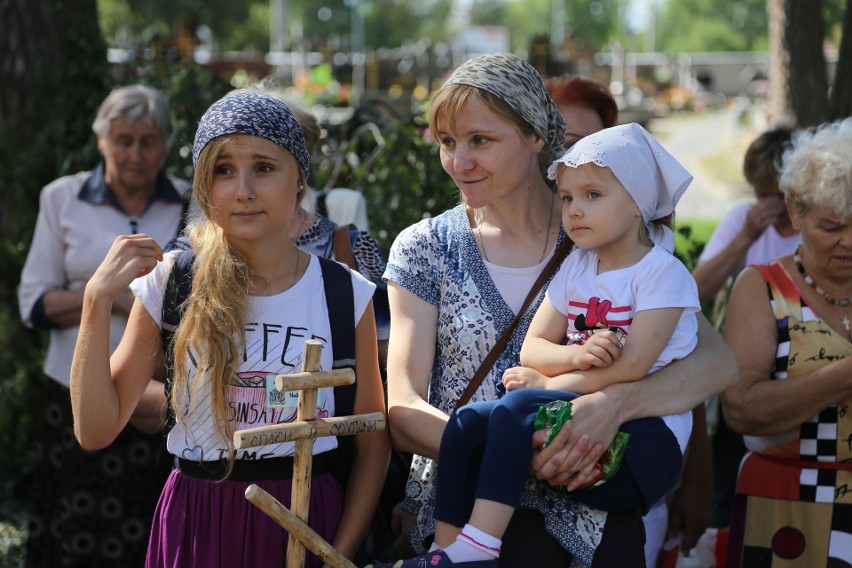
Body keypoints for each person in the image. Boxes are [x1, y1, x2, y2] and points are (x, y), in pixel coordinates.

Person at [381, 52, 737, 567]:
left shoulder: (603, 232)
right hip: (464, 528)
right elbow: (404, 408)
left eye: (481, 140)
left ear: (535, 136)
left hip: (594, 519)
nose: (460, 162)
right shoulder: (427, 247)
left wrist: (615, 407)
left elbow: (716, 363)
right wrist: (519, 451)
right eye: (447, 142)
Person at [69, 91, 390, 567]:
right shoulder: (175, 282)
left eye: (264, 167)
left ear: (299, 179)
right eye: (223, 170)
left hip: (307, 517)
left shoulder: (345, 294)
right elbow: (95, 430)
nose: (242, 189)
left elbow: (372, 443)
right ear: (203, 187)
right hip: (199, 517)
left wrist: (336, 552)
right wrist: (95, 300)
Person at [16, 84, 188, 567]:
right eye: (123, 139)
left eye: (148, 140)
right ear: (101, 141)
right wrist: (111, 298)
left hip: (156, 397)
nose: (135, 153)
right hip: (74, 393)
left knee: (152, 532)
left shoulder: (186, 201)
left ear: (166, 145)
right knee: (73, 530)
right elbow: (35, 302)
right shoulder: (63, 198)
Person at [546, 74, 711, 566]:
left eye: (586, 146)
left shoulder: (651, 261)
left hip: (630, 468)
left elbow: (700, 359)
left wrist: (698, 473)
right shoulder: (577, 257)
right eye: (562, 147)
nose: (574, 158)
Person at [722, 117, 852, 567]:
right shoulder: (762, 288)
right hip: (788, 507)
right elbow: (741, 409)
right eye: (832, 226)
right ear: (795, 214)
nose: (849, 240)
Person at [691, 126, 797, 529]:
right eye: (763, 194)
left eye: (782, 194)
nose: (773, 205)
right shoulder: (744, 220)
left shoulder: (823, 227)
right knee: (734, 491)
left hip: (802, 374)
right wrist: (745, 237)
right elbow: (696, 290)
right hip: (745, 380)